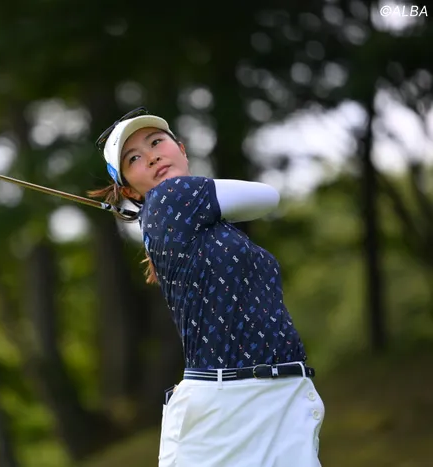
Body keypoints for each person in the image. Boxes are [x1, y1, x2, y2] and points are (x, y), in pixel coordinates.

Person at [89, 107, 325, 467]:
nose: (151, 156)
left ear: (181, 149)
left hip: (280, 400)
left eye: (156, 142)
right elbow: (267, 197)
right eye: (133, 158)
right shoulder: (171, 197)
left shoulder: (198, 223)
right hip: (227, 410)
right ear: (128, 189)